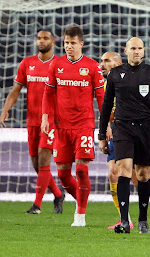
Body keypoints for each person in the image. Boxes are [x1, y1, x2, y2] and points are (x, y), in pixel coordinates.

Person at [98, 37, 150, 234]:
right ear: (126, 51)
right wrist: (102, 135)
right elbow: (106, 106)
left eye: (140, 48)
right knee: (123, 169)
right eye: (133, 48)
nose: (137, 51)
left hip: (145, 127)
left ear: (144, 51)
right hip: (122, 127)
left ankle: (143, 219)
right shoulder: (115, 74)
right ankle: (124, 221)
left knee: (142, 174)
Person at [41, 26, 105, 227]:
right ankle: (82, 198)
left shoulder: (92, 66)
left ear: (81, 44)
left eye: (73, 43)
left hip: (84, 126)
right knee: (62, 174)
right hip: (61, 127)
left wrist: (106, 125)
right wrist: (45, 118)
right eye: (66, 43)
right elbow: (48, 94)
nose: (69, 47)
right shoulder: (56, 65)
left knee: (82, 171)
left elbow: (101, 97)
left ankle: (80, 215)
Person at [0, 29, 64, 214]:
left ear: (53, 41)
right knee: (37, 166)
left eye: (45, 38)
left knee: (44, 161)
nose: (41, 41)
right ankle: (58, 194)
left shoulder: (59, 64)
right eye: (38, 38)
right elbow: (16, 89)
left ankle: (37, 205)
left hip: (50, 120)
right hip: (32, 121)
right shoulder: (28, 63)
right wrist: (5, 109)